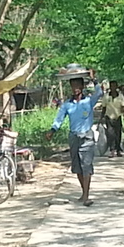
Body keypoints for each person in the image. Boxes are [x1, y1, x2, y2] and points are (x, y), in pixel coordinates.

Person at [45, 69, 103, 206]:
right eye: (73, 86)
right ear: (71, 88)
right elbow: (59, 119)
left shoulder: (89, 101)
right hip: (74, 137)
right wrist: (52, 130)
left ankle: (87, 196)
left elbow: (100, 92)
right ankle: (84, 193)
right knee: (77, 167)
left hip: (87, 137)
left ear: (82, 87)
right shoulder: (67, 105)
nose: (76, 89)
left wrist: (93, 79)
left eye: (78, 86)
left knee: (86, 165)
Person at [101, 80, 124, 157]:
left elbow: (123, 106)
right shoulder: (106, 96)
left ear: (116, 87)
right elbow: (104, 107)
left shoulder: (120, 96)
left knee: (118, 134)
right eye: (111, 86)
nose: (113, 88)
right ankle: (112, 150)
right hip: (109, 117)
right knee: (110, 134)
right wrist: (101, 117)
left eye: (114, 86)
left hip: (117, 117)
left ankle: (118, 150)